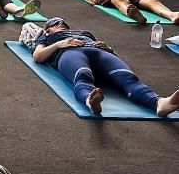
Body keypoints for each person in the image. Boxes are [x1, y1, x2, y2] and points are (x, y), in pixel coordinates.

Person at [30, 17, 179, 117]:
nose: (61, 24)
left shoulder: (84, 33)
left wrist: (108, 48)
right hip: (70, 53)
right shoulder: (47, 38)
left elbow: (110, 52)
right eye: (55, 23)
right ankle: (91, 101)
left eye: (63, 22)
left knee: (128, 78)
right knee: (83, 75)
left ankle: (159, 104)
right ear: (48, 29)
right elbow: (38, 56)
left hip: (99, 52)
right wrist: (59, 44)